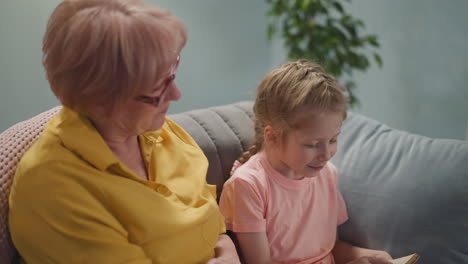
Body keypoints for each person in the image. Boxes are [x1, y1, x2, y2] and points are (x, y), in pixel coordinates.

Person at [8, 0, 240, 263]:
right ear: (100, 98)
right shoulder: (54, 189)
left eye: (171, 75)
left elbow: (210, 220)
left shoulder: (161, 132)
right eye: (157, 90)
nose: (176, 95)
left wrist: (227, 248)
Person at [219, 60, 392, 264]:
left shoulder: (326, 174)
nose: (326, 154)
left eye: (333, 140)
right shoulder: (248, 186)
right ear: (272, 137)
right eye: (313, 144)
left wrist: (368, 256)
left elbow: (328, 249)